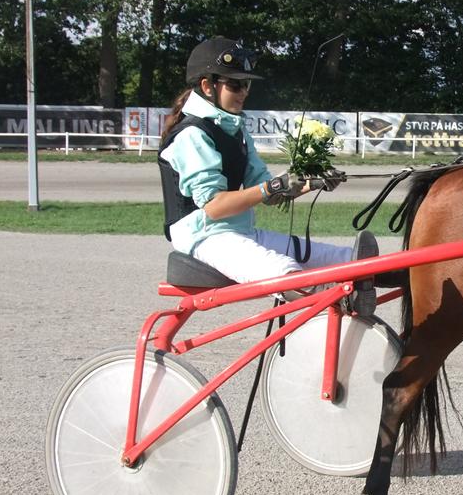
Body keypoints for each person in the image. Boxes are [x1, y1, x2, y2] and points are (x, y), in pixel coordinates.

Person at [157, 36, 377, 313]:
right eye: (235, 84)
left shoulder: (235, 130)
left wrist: (309, 183)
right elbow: (214, 206)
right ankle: (341, 299)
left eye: (246, 84)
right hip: (206, 238)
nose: (243, 91)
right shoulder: (192, 135)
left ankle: (387, 274)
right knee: (285, 271)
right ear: (206, 86)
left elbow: (268, 193)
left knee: (342, 258)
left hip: (242, 232)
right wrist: (270, 188)